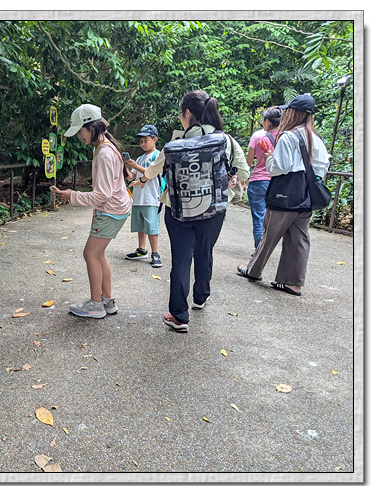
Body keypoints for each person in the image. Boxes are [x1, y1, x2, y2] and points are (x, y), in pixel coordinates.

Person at [131, 90, 249, 332]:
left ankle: (179, 316)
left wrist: (141, 175)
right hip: (213, 210)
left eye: (180, 114)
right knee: (205, 252)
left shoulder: (174, 145)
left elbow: (152, 172)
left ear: (187, 113)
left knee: (181, 259)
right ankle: (201, 297)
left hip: (178, 211)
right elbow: (244, 171)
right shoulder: (226, 141)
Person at [236, 94, 330, 296]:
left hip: (285, 194)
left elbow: (279, 168)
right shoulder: (316, 137)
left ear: (294, 113)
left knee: (269, 233)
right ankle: (292, 283)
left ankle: (253, 270)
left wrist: (269, 157)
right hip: (306, 196)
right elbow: (323, 166)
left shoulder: (289, 136)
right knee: (299, 239)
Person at [51, 104, 132, 318]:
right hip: (116, 209)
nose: (79, 136)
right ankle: (107, 301)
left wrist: (72, 196)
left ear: (92, 127)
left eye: (80, 131)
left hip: (111, 210)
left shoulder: (104, 153)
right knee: (98, 254)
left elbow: (102, 194)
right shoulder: (106, 146)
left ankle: (96, 305)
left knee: (90, 254)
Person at [124, 124, 164, 268]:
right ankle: (142, 250)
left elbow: (151, 173)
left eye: (146, 140)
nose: (143, 144)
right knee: (140, 225)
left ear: (154, 139)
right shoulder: (140, 158)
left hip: (152, 198)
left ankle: (155, 253)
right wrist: (126, 168)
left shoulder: (158, 156)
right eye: (141, 141)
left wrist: (135, 166)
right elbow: (131, 177)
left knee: (152, 227)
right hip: (139, 197)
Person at [246, 106, 282, 251]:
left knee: (259, 218)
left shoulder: (257, 136)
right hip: (278, 182)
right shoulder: (285, 137)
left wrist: (243, 176)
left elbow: (248, 162)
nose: (262, 122)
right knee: (274, 220)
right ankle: (268, 250)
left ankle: (258, 252)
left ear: (268, 121)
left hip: (258, 181)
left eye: (263, 120)